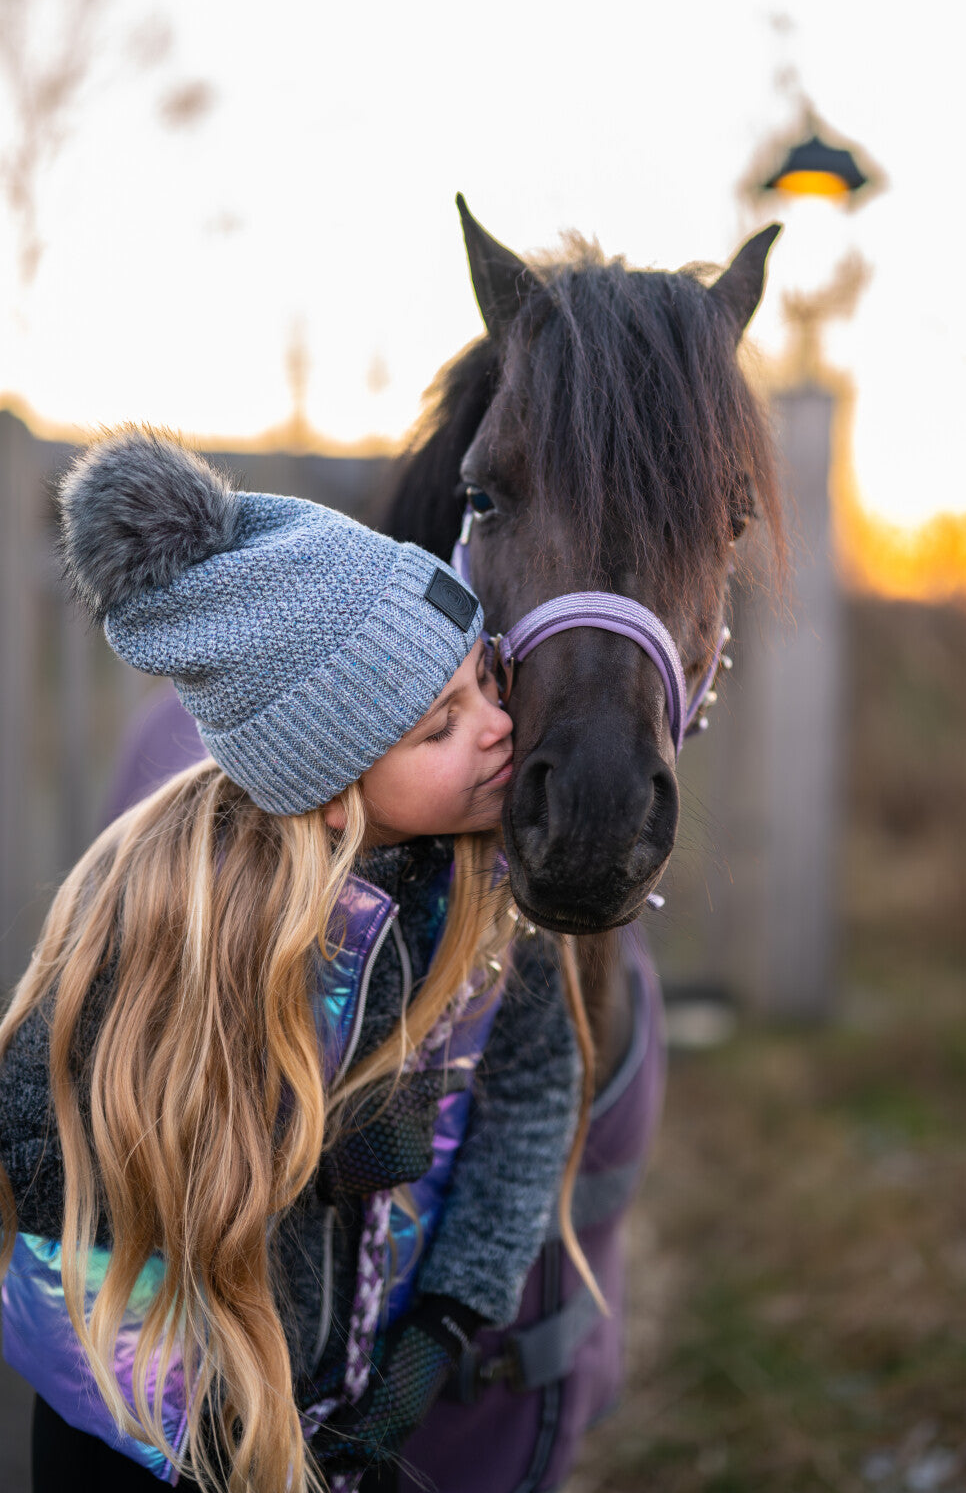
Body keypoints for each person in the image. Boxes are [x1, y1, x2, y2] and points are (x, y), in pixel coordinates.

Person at [0, 428, 584, 1493]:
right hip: (135, 1427)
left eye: (485, 681)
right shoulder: (171, 897)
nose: (498, 727)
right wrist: (298, 1142)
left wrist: (446, 1322)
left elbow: (535, 1087)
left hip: (333, 1417)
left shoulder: (492, 893)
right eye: (440, 724)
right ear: (328, 783)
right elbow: (39, 1134)